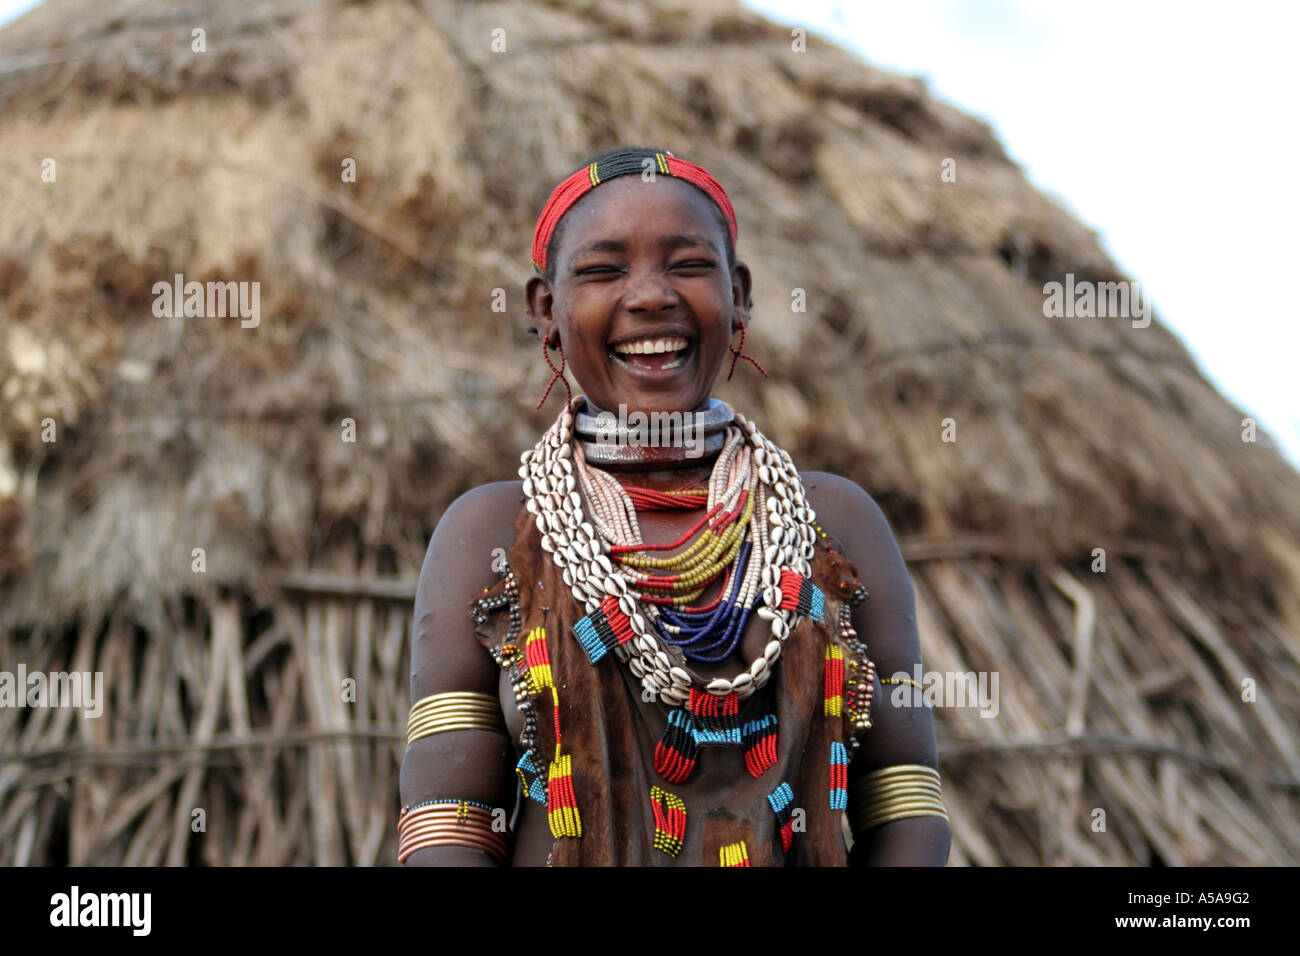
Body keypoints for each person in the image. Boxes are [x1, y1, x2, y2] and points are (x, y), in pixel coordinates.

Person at [398, 146, 951, 866]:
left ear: (739, 292)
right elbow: (448, 823)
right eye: (603, 271)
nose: (651, 295)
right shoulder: (492, 532)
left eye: (688, 265)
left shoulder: (834, 522)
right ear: (547, 311)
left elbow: (905, 805)